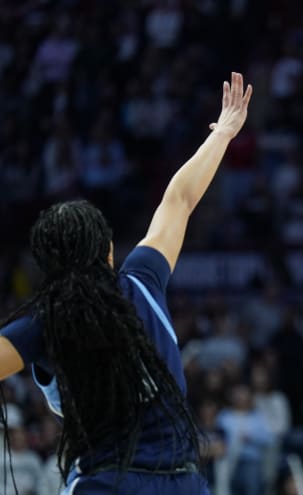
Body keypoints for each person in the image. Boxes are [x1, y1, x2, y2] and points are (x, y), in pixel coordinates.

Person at [0, 71, 252, 494]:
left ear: (47, 266)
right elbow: (180, 199)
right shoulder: (143, 280)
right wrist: (222, 134)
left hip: (106, 482)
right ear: (110, 251)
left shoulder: (45, 320)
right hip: (182, 482)